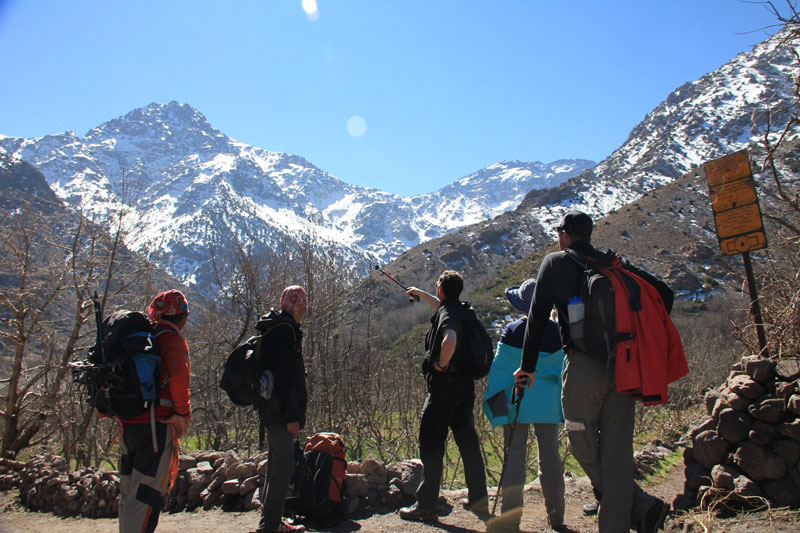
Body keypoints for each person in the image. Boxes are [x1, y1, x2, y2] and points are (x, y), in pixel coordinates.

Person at [514, 211, 671, 533]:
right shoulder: (613, 264)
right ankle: (631, 515)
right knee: (617, 454)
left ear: (565, 234)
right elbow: (664, 295)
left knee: (579, 439)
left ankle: (642, 505)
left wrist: (526, 368)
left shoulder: (555, 263)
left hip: (584, 366)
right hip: (626, 367)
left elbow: (538, 318)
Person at [399, 270, 489, 523]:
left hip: (444, 387)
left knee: (430, 443)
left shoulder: (448, 315)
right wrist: (419, 293)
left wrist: (440, 363)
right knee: (468, 442)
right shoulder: (462, 310)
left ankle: (425, 505)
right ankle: (479, 500)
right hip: (464, 386)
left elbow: (449, 338)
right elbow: (442, 307)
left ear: (441, 288)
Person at [483, 279, 566, 532]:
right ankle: (557, 518)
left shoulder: (513, 330)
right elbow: (562, 367)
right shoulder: (559, 332)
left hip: (516, 401)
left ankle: (510, 519)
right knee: (551, 458)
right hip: (549, 405)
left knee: (514, 458)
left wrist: (496, 403)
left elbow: (500, 372)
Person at [118, 289, 191, 533]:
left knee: (129, 491)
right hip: (156, 426)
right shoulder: (170, 339)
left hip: (129, 423)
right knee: (148, 492)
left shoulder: (143, 336)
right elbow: (179, 379)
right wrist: (182, 413)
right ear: (184, 317)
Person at [251, 285, 308, 533]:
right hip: (281, 414)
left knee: (277, 466)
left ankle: (271, 524)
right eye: (302, 302)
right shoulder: (285, 332)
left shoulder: (275, 328)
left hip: (270, 410)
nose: (304, 307)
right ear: (296, 304)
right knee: (282, 469)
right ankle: (269, 527)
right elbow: (287, 381)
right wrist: (293, 417)